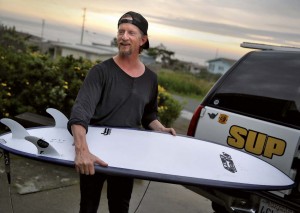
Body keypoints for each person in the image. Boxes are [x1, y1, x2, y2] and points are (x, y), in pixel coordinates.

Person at [67, 11, 176, 213]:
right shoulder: (100, 72)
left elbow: (148, 115)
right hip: (95, 151)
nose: (124, 37)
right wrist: (82, 151)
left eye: (131, 33)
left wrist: (161, 130)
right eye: (121, 31)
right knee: (88, 206)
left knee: (120, 206)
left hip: (127, 153)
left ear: (143, 40)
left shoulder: (150, 79)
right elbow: (80, 112)